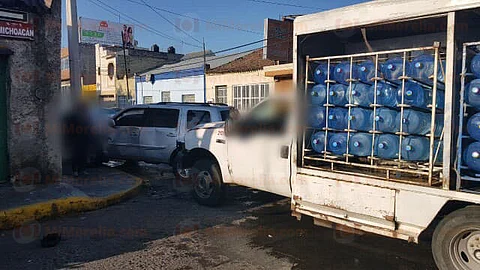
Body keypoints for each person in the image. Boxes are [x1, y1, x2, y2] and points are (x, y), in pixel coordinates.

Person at [64, 102, 92, 177]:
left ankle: (82, 169)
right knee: (76, 155)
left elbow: (89, 128)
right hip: (75, 139)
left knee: (83, 155)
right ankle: (75, 170)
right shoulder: (72, 117)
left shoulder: (85, 116)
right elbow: (68, 129)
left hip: (84, 139)